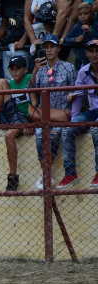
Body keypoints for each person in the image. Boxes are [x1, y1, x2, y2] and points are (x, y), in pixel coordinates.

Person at [29, 33, 74, 189]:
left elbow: (76, 91)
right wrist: (35, 70)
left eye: (52, 47)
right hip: (46, 116)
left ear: (58, 48)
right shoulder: (41, 69)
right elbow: (31, 90)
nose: (49, 50)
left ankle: (48, 175)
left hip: (62, 113)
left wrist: (70, 108)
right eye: (46, 47)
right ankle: (46, 174)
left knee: (54, 134)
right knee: (40, 136)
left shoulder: (69, 67)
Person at [0, 55, 32, 191]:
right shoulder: (9, 83)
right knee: (0, 82)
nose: (15, 72)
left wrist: (31, 123)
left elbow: (37, 103)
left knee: (9, 136)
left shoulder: (30, 78)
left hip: (24, 116)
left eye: (18, 68)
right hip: (10, 114)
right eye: (12, 69)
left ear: (25, 69)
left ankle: (12, 176)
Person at [60, 38, 98, 189]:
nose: (95, 54)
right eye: (91, 51)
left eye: (97, 51)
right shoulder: (83, 71)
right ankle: (70, 173)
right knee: (68, 130)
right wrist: (74, 118)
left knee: (96, 131)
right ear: (87, 53)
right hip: (91, 112)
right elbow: (77, 96)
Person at [63, 2, 98, 69]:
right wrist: (75, 39)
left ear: (91, 14)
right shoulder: (77, 26)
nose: (83, 16)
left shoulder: (95, 25)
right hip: (81, 62)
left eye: (86, 13)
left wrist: (91, 32)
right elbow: (65, 41)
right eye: (80, 14)